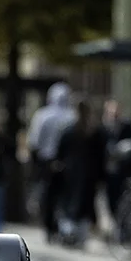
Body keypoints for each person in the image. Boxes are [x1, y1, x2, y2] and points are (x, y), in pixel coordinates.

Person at [27, 82, 77, 242]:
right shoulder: (72, 117)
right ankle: (63, 227)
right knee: (64, 197)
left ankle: (50, 227)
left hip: (47, 162)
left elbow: (34, 141)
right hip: (67, 163)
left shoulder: (42, 116)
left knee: (48, 197)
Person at [54, 100, 106, 247]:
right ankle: (80, 238)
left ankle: (69, 233)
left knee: (69, 205)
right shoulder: (96, 132)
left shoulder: (69, 131)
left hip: (70, 174)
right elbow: (102, 156)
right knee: (85, 206)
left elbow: (59, 153)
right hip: (90, 175)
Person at [100, 99, 131, 218]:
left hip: (124, 170)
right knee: (110, 199)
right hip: (108, 171)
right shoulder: (102, 129)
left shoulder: (126, 126)